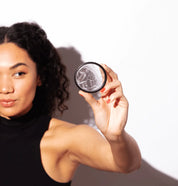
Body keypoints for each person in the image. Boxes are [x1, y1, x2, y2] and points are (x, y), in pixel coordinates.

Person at [0, 22, 141, 186]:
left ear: (40, 77)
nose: (5, 88)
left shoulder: (65, 138)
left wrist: (116, 137)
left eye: (19, 73)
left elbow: (128, 164)